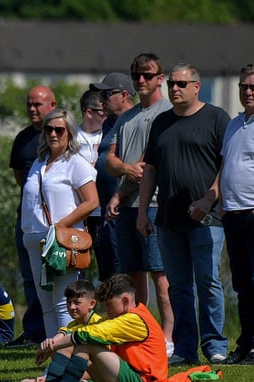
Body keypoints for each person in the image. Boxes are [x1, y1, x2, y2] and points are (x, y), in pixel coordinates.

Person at [190, 63, 254, 366]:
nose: (247, 92)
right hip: (233, 215)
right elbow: (226, 168)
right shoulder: (236, 123)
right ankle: (246, 345)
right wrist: (216, 199)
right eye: (243, 87)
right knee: (243, 284)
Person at [137, 64, 230, 366]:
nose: (174, 89)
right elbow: (149, 170)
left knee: (208, 282)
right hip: (168, 219)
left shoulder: (216, 118)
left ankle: (214, 344)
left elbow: (226, 165)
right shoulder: (161, 123)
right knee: (178, 286)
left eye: (181, 83)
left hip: (207, 220)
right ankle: (185, 348)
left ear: (196, 86)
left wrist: (209, 197)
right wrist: (142, 212)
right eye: (171, 84)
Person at [21, 274, 168, 382]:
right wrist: (55, 341)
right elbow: (74, 329)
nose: (106, 309)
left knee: (86, 343)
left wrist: (53, 345)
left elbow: (88, 333)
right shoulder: (120, 317)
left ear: (125, 301)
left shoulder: (134, 319)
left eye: (109, 304)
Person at [105, 53, 174, 355]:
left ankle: (169, 337)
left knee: (161, 274)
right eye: (136, 76)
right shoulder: (125, 117)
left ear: (161, 77)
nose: (141, 81)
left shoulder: (167, 112)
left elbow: (148, 164)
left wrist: (121, 187)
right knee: (133, 273)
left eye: (147, 75)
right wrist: (124, 175)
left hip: (156, 204)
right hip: (128, 205)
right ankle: (142, 330)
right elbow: (111, 160)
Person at [20, 108, 99, 336]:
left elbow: (92, 201)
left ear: (69, 132)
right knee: (46, 306)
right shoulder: (39, 162)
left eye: (59, 129)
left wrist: (61, 226)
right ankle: (54, 358)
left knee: (65, 304)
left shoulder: (76, 162)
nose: (53, 134)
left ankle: (65, 357)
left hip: (61, 244)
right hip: (35, 241)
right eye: (48, 129)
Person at [8, 279, 101, 382]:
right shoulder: (72, 325)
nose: (71, 307)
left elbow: (95, 369)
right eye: (68, 302)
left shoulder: (99, 326)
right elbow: (61, 336)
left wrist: (50, 380)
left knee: (57, 380)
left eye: (77, 303)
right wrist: (48, 349)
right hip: (68, 378)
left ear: (91, 304)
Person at [7, 85, 57, 347]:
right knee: (30, 276)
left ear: (52, 105)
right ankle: (34, 331)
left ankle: (57, 330)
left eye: (38, 104)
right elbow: (19, 176)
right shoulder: (23, 138)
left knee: (56, 274)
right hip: (26, 218)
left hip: (56, 220)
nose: (32, 109)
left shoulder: (61, 136)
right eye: (29, 104)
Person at [89, 73, 137, 281]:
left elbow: (138, 169)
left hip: (125, 209)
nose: (101, 101)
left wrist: (118, 195)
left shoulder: (136, 121)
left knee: (125, 274)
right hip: (104, 211)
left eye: (106, 94)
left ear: (124, 95)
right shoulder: (109, 124)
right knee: (108, 274)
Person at [76, 90, 107, 253]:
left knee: (106, 260)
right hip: (79, 209)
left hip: (103, 207)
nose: (106, 116)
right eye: (103, 112)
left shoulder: (108, 135)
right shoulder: (71, 136)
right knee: (78, 258)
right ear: (89, 112)